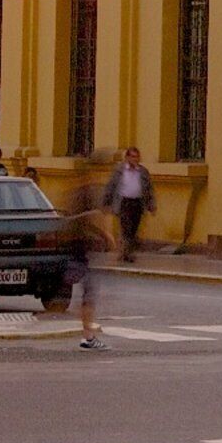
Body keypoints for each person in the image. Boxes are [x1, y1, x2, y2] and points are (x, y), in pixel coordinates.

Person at [68, 187, 120, 349]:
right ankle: (88, 337)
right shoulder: (89, 214)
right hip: (83, 258)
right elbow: (91, 223)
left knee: (87, 296)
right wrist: (106, 237)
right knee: (88, 296)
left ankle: (87, 335)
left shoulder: (78, 213)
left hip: (80, 256)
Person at [109, 146, 153, 262]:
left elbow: (149, 189)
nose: (135, 159)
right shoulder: (120, 171)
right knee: (126, 228)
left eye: (137, 157)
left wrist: (151, 205)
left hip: (137, 203)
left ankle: (127, 252)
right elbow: (111, 186)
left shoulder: (143, 172)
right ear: (127, 157)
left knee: (133, 229)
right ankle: (125, 253)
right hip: (124, 202)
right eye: (133, 156)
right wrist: (106, 202)